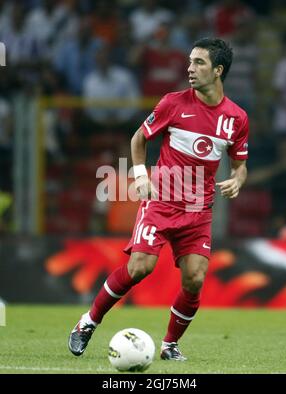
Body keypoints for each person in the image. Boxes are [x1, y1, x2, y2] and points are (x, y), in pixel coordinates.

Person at [68, 38, 249, 361]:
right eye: (190, 61)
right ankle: (87, 322)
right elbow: (139, 137)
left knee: (194, 279)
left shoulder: (236, 118)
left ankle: (169, 345)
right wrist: (140, 175)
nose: (190, 69)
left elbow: (240, 165)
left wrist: (237, 179)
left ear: (218, 70)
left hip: (198, 210)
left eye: (199, 63)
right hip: (162, 201)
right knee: (140, 268)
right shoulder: (173, 103)